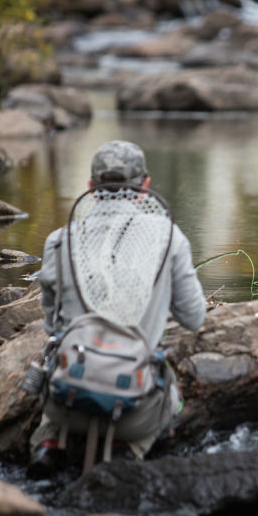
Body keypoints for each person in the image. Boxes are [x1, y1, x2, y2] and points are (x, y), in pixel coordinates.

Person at [28, 140, 206, 477]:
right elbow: (194, 317)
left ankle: (49, 443)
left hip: (68, 402)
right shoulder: (170, 237)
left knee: (54, 373)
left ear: (91, 187)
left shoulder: (58, 240)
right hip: (132, 410)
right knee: (171, 393)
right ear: (145, 188)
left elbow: (52, 326)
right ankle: (126, 452)